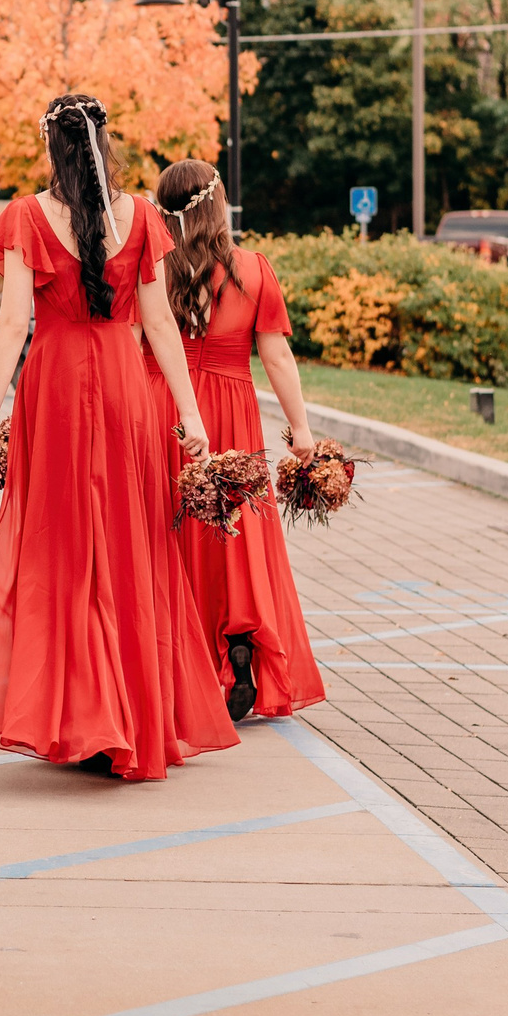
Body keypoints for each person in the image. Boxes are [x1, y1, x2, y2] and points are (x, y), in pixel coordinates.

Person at [0, 94, 240, 780]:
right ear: (105, 145)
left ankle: (79, 712)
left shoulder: (24, 216)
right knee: (128, 542)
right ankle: (126, 716)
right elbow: (161, 325)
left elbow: (14, 323)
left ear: (53, 147)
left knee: (62, 547)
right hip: (121, 385)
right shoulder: (140, 215)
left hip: (54, 386)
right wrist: (192, 414)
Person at [150, 159, 328, 723]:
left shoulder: (152, 268)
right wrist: (300, 432)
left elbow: (137, 344)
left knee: (172, 531)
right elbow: (276, 354)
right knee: (237, 534)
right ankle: (241, 639)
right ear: (218, 204)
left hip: (170, 409)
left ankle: (185, 664)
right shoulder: (253, 270)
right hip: (232, 409)